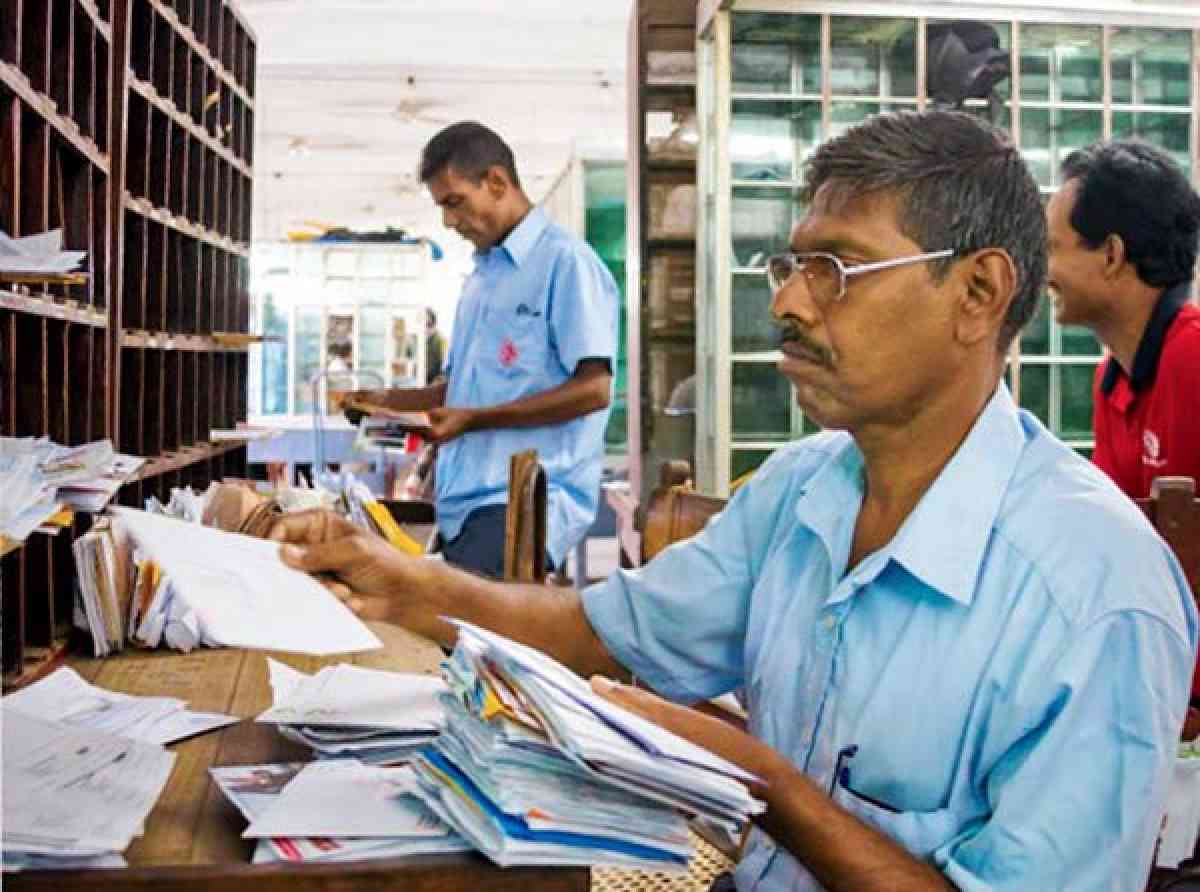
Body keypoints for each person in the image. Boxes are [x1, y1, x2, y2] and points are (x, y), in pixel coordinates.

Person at [271, 111, 1197, 891]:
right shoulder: (803, 490)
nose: (788, 303)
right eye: (787, 266)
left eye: (834, 268)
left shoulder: (1096, 595)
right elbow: (606, 631)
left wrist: (772, 789)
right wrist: (403, 586)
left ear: (978, 293)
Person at [348, 121, 618, 578]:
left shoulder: (565, 263)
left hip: (522, 503)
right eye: (441, 208)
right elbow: (459, 389)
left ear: (496, 182)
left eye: (454, 203)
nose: (449, 221)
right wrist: (384, 403)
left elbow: (594, 390)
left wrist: (475, 419)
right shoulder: (482, 277)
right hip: (463, 504)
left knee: (435, 625)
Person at [1045, 140, 1200, 501]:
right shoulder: (1112, 380)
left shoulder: (1193, 358)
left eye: (1052, 248)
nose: (1041, 272)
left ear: (1111, 255)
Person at [425, 307, 447, 384]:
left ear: (434, 324)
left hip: (434, 385)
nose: (425, 328)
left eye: (428, 324)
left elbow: (444, 370)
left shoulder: (439, 340)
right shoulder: (425, 341)